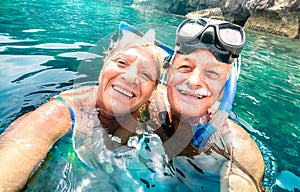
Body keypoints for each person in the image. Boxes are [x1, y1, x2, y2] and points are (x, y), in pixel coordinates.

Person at [0, 22, 170, 191]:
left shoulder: (153, 103)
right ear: (106, 59)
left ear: (154, 88)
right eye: (122, 63)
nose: (130, 77)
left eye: (146, 74)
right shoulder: (55, 117)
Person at [148, 17, 265, 191]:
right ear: (169, 71)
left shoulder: (236, 151)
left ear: (223, 90)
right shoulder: (148, 100)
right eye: (185, 67)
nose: (194, 81)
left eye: (212, 73)